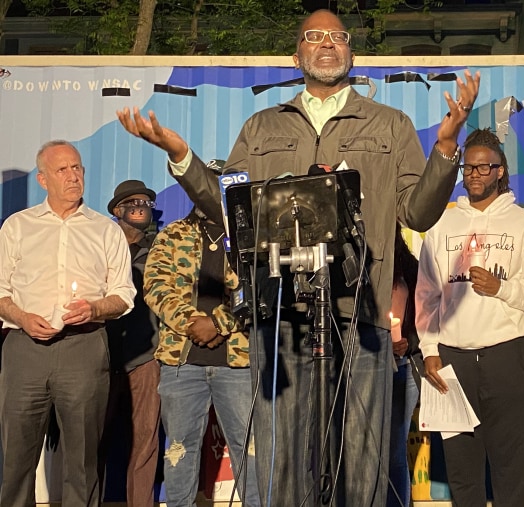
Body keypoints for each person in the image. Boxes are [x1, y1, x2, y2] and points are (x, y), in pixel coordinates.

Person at [116, 9, 479, 506]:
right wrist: (183, 158)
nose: (327, 43)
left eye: (338, 37)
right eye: (314, 36)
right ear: (297, 55)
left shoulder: (390, 125)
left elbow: (417, 213)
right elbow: (231, 210)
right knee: (282, 461)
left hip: (360, 319)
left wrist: (445, 149)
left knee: (363, 462)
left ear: (351, 52)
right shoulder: (263, 126)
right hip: (281, 318)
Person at [416, 128, 524, 506]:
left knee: (510, 470)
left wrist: (500, 288)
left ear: (500, 171)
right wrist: (429, 349)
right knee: (462, 473)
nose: (474, 175)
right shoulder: (442, 225)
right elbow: (426, 293)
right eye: (468, 168)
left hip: (508, 354)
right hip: (453, 359)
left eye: (483, 168)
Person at [0, 140, 136, 506]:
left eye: (77, 168)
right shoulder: (17, 227)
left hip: (84, 348)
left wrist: (94, 309)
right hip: (24, 351)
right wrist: (22, 317)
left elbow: (124, 295)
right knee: (16, 461)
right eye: (63, 170)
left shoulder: (106, 231)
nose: (73, 176)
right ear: (43, 179)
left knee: (82, 460)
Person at [143, 201, 260, 507]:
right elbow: (155, 285)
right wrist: (192, 324)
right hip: (181, 363)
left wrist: (218, 323)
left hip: (238, 363)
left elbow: (258, 287)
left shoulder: (249, 236)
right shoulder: (172, 234)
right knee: (180, 450)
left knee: (248, 448)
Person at [101, 180, 161, 507]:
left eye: (146, 202)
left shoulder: (161, 248)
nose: (140, 206)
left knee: (145, 441)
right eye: (131, 201)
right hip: (101, 356)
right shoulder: (98, 245)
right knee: (92, 437)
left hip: (147, 356)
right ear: (117, 210)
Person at [388, 223, 421, 507]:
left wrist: (407, 342)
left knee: (394, 451)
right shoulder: (357, 265)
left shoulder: (411, 269)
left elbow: (427, 318)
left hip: (402, 368)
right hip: (364, 369)